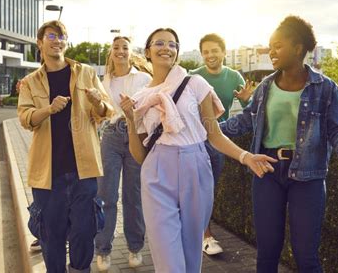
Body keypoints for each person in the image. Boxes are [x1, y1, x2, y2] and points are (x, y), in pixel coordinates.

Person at [119, 28, 277, 272]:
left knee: (192, 252)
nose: (166, 48)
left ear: (177, 51)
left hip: (196, 166)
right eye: (159, 43)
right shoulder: (140, 98)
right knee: (168, 259)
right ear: (147, 51)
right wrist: (130, 119)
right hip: (157, 172)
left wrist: (245, 157)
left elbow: (214, 135)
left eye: (172, 44)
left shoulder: (195, 83)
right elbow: (140, 155)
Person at [220, 15, 338, 272]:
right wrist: (210, 131)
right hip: (266, 171)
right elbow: (245, 120)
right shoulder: (266, 86)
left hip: (308, 176)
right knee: (267, 253)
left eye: (278, 45)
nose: (271, 51)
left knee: (306, 255)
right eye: (270, 46)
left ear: (298, 48)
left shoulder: (326, 88)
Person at [17, 20, 114, 273]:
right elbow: (25, 118)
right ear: (40, 43)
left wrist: (97, 102)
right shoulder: (30, 82)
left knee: (84, 231)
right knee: (51, 235)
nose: (57, 40)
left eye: (62, 36)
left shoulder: (86, 73)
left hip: (84, 170)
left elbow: (106, 111)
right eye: (51, 36)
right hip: (48, 174)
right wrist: (48, 109)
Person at [190, 33, 253, 255]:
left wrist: (247, 99)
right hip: (197, 137)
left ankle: (198, 230)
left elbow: (252, 109)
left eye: (214, 50)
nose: (210, 55)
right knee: (204, 186)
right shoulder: (194, 76)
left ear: (224, 52)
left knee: (210, 187)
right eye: (205, 52)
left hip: (220, 136)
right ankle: (206, 236)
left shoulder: (234, 76)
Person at [94, 36, 151, 270]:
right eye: (116, 48)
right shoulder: (104, 81)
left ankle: (135, 247)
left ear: (131, 52)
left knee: (133, 196)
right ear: (111, 53)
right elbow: (98, 114)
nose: (120, 51)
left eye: (124, 48)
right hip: (110, 136)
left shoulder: (144, 78)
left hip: (136, 135)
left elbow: (152, 108)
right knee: (106, 195)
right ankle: (103, 249)